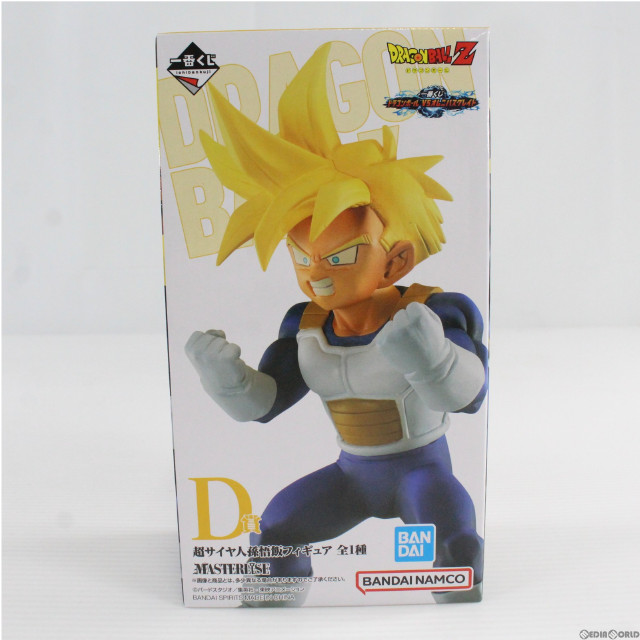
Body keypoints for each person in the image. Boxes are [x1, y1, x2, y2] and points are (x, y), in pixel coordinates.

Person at [185, 43, 488, 605]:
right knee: (273, 537)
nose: (316, 274)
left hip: (424, 474)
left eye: (342, 255)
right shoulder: (306, 324)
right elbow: (265, 404)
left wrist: (434, 359)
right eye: (301, 256)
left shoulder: (432, 310)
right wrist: (225, 380)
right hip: (352, 478)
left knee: (456, 551)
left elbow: (470, 397)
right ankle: (269, 619)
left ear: (397, 260)